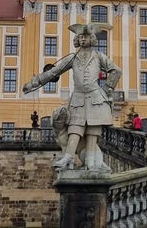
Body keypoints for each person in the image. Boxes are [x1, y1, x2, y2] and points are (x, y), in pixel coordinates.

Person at [22, 23, 121, 170]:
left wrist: (107, 88)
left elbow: (116, 71)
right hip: (79, 98)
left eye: (86, 37)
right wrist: (34, 83)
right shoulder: (73, 58)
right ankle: (68, 156)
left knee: (93, 131)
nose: (82, 40)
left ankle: (92, 162)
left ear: (92, 39)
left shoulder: (99, 56)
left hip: (95, 98)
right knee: (74, 128)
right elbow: (54, 72)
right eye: (80, 37)